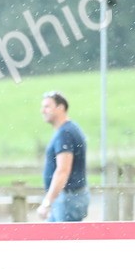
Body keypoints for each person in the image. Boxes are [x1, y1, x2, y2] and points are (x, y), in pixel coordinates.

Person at [37, 90, 89, 222]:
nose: (43, 111)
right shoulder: (70, 129)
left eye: (47, 107)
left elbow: (63, 171)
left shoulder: (65, 134)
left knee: (62, 240)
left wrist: (47, 202)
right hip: (71, 197)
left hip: (67, 198)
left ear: (60, 108)